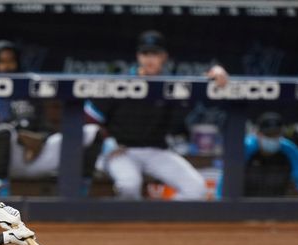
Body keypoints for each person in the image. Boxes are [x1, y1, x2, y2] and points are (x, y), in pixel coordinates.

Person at [84, 30, 229, 200]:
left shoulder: (170, 85)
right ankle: (128, 224)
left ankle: (160, 224)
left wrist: (216, 72)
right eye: (145, 54)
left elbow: (202, 83)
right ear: (138, 56)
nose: (150, 59)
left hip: (157, 151)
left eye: (155, 54)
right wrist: (107, 142)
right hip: (121, 151)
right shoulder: (120, 82)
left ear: (164, 57)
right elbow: (89, 118)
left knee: (196, 189)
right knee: (129, 185)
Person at [0, 40, 58, 197]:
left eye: (11, 61)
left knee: (68, 138)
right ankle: (1, 184)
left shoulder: (29, 91)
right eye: (2, 62)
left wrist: (39, 140)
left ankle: (77, 188)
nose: (7, 67)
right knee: (4, 131)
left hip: (31, 156)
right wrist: (19, 134)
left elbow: (46, 127)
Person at [217, 112, 298, 199]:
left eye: (276, 135)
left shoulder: (289, 150)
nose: (272, 139)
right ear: (258, 134)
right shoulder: (246, 148)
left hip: (277, 210)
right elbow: (226, 181)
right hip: (244, 209)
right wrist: (222, 207)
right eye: (268, 135)